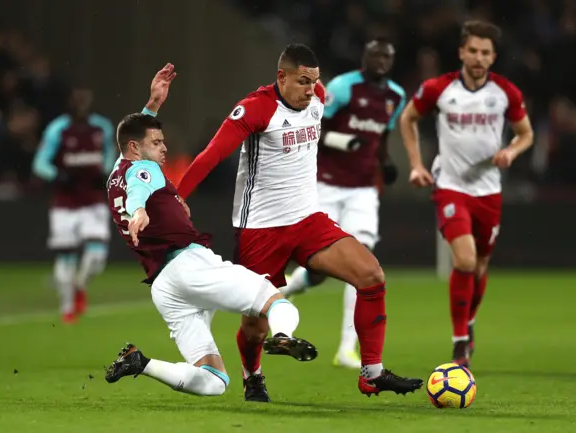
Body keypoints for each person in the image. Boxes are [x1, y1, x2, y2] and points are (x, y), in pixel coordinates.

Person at [176, 44, 423, 401]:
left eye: (314, 81)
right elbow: (211, 155)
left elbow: (325, 132)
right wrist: (177, 196)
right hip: (260, 229)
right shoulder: (257, 108)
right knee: (255, 328)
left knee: (371, 275)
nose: (311, 89)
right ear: (282, 77)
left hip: (308, 220)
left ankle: (372, 373)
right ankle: (253, 375)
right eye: (303, 82)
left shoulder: (319, 97)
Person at [104, 64, 318, 397]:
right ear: (136, 149)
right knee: (275, 301)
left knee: (213, 381)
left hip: (164, 288)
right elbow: (138, 187)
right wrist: (139, 210)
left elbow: (132, 149)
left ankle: (139, 362)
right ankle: (282, 336)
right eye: (157, 142)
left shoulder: (116, 170)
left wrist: (153, 104)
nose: (164, 148)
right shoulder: (143, 169)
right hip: (188, 266)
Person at [399, 21, 534, 368]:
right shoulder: (438, 88)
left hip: (488, 190)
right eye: (472, 50)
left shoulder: (505, 92)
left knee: (480, 266)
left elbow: (526, 134)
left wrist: (511, 152)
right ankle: (460, 342)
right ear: (461, 52)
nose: (478, 57)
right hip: (451, 186)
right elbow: (408, 119)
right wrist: (416, 164)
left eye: (485, 52)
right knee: (465, 260)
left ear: (493, 57)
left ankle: (469, 322)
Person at [280, 37, 406, 369]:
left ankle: (347, 348)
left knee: (363, 264)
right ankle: (283, 293)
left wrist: (386, 161)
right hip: (326, 186)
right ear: (365, 56)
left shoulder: (396, 96)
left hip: (363, 190)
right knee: (318, 270)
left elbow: (381, 137)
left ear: (391, 61)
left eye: (386, 55)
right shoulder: (344, 86)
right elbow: (315, 125)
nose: (380, 60)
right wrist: (344, 140)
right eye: (375, 54)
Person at [32, 85, 116, 324]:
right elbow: (40, 163)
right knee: (66, 257)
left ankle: (79, 286)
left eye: (84, 98)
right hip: (65, 203)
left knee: (97, 258)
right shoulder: (58, 129)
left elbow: (110, 154)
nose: (81, 103)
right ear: (70, 101)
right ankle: (67, 307)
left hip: (92, 201)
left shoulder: (102, 127)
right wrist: (57, 175)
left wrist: (106, 172)